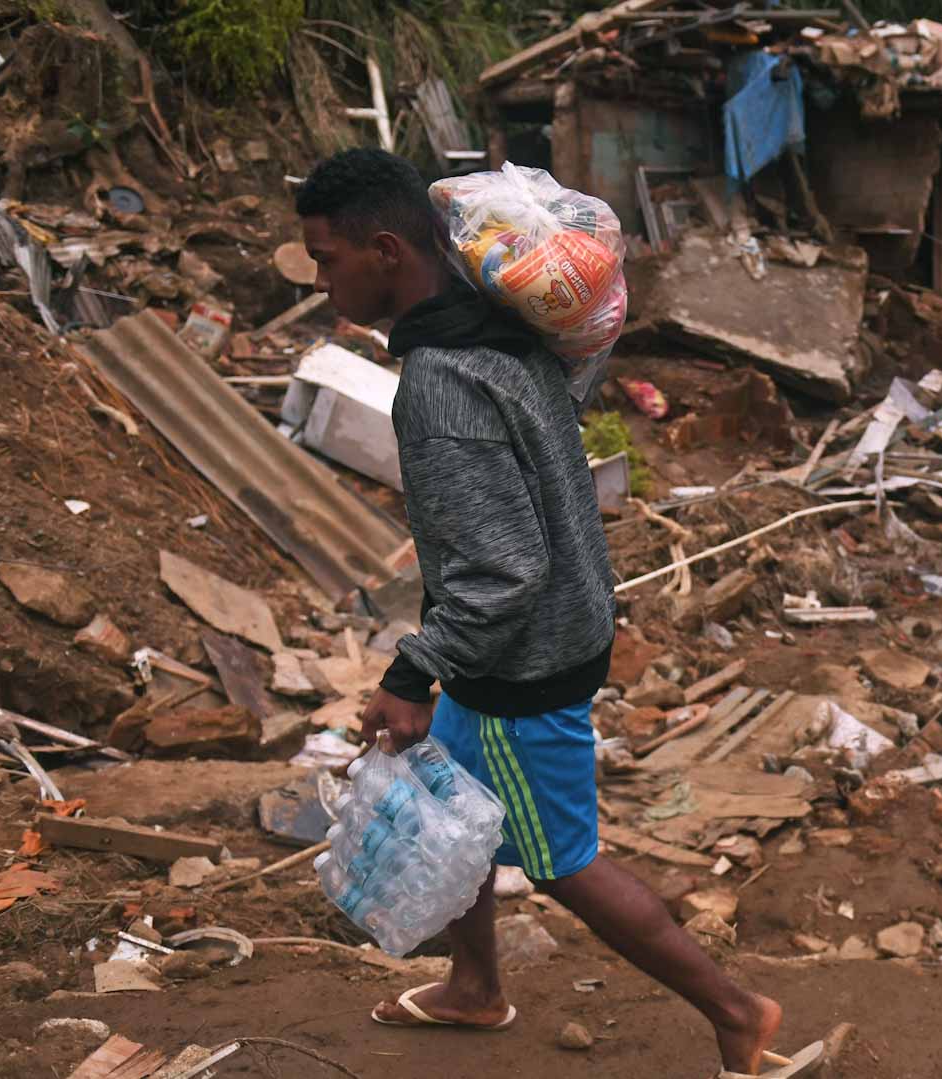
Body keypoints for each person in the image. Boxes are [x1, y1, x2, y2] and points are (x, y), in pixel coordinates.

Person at [295, 149, 786, 1075]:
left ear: (389, 249)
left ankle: (736, 1009)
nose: (322, 281)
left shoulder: (443, 379)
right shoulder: (501, 332)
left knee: (561, 857)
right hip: (537, 633)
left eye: (327, 258)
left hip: (524, 660)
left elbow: (502, 567)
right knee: (461, 797)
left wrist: (410, 672)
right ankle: (475, 986)